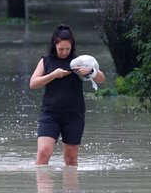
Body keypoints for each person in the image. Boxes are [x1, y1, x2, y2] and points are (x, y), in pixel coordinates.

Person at [30, 24, 105, 166]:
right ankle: (42, 188)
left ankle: (71, 188)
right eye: (61, 49)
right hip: (50, 114)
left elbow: (101, 79)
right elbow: (33, 84)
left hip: (74, 115)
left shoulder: (80, 62)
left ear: (72, 46)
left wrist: (91, 71)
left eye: (67, 49)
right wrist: (53, 75)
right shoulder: (46, 61)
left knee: (71, 159)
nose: (64, 52)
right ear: (54, 45)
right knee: (43, 152)